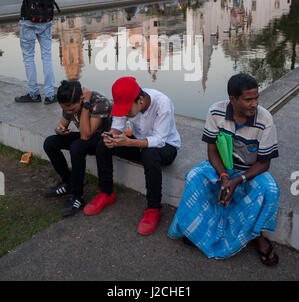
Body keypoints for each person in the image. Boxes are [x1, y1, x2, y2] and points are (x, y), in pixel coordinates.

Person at [168, 73, 280, 266]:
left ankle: (256, 235)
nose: (254, 104)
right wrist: (224, 175)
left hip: (250, 169)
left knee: (271, 190)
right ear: (233, 99)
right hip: (223, 166)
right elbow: (211, 150)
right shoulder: (216, 112)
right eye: (248, 99)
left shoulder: (265, 119)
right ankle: (198, 227)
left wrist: (237, 180)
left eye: (256, 98)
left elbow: (264, 163)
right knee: (194, 176)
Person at [84, 76, 181, 236]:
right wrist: (112, 136)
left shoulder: (162, 104)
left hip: (166, 147)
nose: (126, 114)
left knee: (150, 155)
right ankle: (107, 192)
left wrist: (128, 143)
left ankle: (153, 208)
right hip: (136, 142)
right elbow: (117, 126)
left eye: (128, 111)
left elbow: (159, 140)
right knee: (102, 144)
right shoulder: (125, 101)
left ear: (141, 100)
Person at [43, 80, 112, 217]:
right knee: (50, 142)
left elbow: (86, 135)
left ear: (81, 99)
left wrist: (86, 105)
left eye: (71, 109)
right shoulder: (69, 101)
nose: (68, 112)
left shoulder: (99, 102)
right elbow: (63, 124)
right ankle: (68, 182)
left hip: (103, 140)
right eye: (65, 109)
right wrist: (60, 130)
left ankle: (77, 196)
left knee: (77, 147)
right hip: (86, 134)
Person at [14, 0, 57, 104]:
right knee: (47, 56)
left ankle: (33, 94)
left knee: (28, 57)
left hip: (28, 19)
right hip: (46, 18)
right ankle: (50, 95)